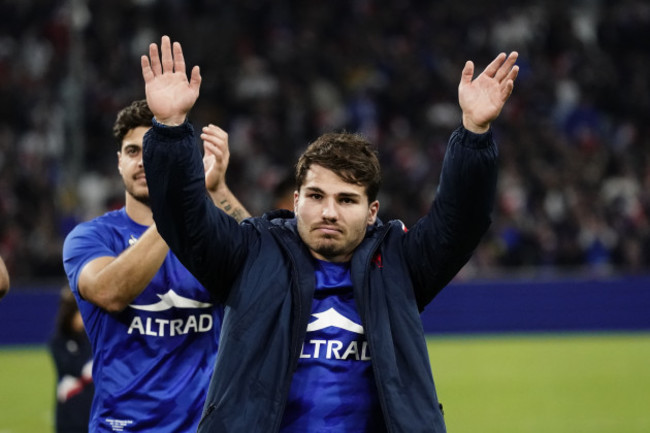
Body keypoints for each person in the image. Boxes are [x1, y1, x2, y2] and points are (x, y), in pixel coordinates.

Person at [141, 36, 518, 432]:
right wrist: (169, 131)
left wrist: (474, 133)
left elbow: (461, 221)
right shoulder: (252, 254)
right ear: (296, 198)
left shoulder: (401, 263)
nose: (329, 212)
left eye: (347, 200)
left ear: (372, 211)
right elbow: (184, 218)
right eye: (317, 196)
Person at [62, 99, 250, 432]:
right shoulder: (90, 238)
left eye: (153, 152)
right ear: (119, 162)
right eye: (132, 152)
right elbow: (109, 292)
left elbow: (266, 272)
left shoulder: (210, 237)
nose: (142, 161)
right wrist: (176, 208)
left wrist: (217, 189)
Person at [49, 286, 94, 433]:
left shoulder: (91, 339)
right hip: (69, 405)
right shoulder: (59, 341)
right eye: (78, 313)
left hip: (90, 406)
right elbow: (71, 367)